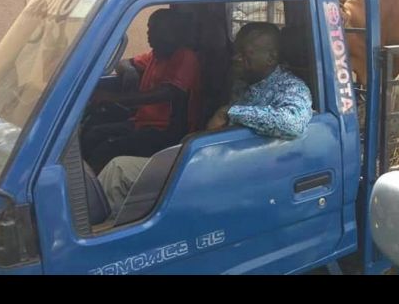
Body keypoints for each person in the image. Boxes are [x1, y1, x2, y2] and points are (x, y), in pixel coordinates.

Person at [98, 22, 313, 217]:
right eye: (236, 52)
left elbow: (293, 122)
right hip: (208, 161)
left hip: (228, 175)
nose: (235, 58)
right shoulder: (243, 83)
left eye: (245, 53)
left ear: (271, 58)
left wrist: (230, 112)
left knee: (119, 170)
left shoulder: (291, 87)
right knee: (118, 167)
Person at [82, 8, 201, 174]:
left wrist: (114, 98)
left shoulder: (184, 57)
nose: (149, 35)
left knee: (107, 148)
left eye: (155, 30)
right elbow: (123, 63)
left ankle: (97, 193)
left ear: (172, 33)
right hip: (141, 123)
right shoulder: (155, 55)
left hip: (167, 133)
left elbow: (166, 93)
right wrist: (129, 70)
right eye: (149, 29)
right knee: (94, 133)